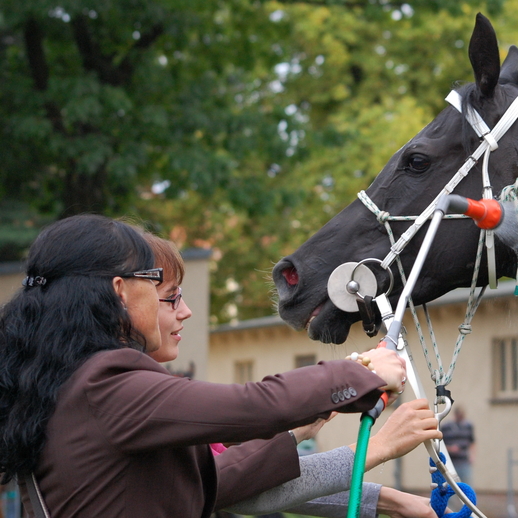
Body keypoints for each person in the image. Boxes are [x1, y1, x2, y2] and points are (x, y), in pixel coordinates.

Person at [0, 214, 409, 518]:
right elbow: (252, 405)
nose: (185, 310)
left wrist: (323, 407)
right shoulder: (106, 381)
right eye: (157, 283)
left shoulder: (66, 380)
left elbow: (212, 479)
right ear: (120, 291)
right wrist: (361, 375)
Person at [143, 232, 439, 518]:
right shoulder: (137, 393)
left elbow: (246, 484)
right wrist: (376, 441)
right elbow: (222, 483)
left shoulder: (149, 388)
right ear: (123, 295)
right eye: (171, 297)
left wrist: (389, 501)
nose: (186, 311)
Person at [440, 404, 475, 485]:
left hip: (464, 462)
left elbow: (472, 442)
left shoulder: (468, 426)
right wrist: (450, 448)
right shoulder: (446, 427)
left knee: (466, 486)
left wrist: (472, 456)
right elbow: (440, 445)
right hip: (450, 463)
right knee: (450, 487)